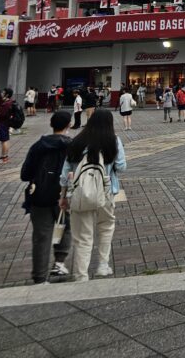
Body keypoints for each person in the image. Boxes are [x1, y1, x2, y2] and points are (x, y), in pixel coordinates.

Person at [58, 109, 126, 282]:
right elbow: (122, 166)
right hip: (106, 192)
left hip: (79, 193)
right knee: (106, 227)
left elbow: (65, 174)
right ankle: (103, 265)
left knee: (82, 236)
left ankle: (81, 274)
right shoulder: (114, 141)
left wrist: (63, 196)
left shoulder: (77, 141)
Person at [20, 110, 73, 284]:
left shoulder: (38, 146)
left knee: (41, 236)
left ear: (51, 124)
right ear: (69, 125)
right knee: (63, 227)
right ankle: (59, 263)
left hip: (39, 195)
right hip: (63, 195)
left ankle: (39, 276)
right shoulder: (71, 146)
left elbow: (25, 174)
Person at [0, 90, 14, 163]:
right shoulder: (10, 102)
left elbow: (3, 115)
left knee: (4, 140)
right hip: (6, 123)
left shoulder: (6, 103)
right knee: (5, 140)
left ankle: (4, 158)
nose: (1, 94)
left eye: (3, 93)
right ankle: (5, 157)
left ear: (7, 94)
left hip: (3, 123)